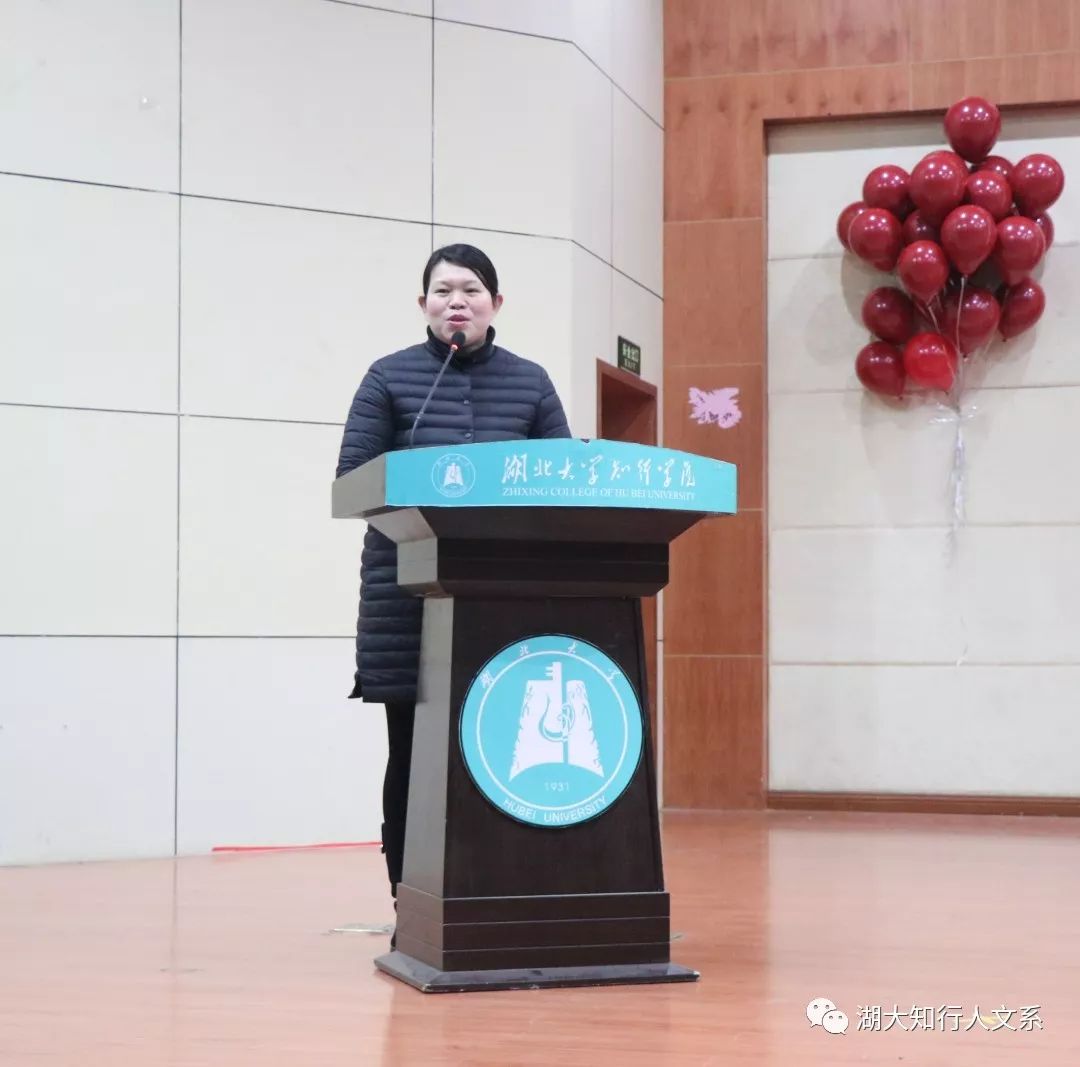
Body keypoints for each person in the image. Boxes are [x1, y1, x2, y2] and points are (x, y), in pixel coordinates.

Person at [335, 244, 572, 919]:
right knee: (412, 751)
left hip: (505, 594)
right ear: (423, 305)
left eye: (470, 289)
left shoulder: (530, 382)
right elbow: (353, 480)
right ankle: (408, 898)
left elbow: (566, 480)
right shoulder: (389, 377)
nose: (456, 302)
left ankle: (502, 888)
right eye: (443, 291)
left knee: (501, 744)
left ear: (496, 303)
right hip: (407, 597)